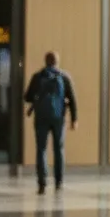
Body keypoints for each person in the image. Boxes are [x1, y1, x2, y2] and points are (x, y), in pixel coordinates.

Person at [24, 51, 78, 195]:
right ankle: (58, 183)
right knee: (58, 149)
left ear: (45, 61)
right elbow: (72, 98)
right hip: (58, 118)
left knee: (41, 149)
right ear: (57, 62)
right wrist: (74, 119)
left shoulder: (37, 77)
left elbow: (27, 97)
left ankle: (42, 184)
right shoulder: (64, 76)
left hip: (41, 117)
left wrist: (37, 98)